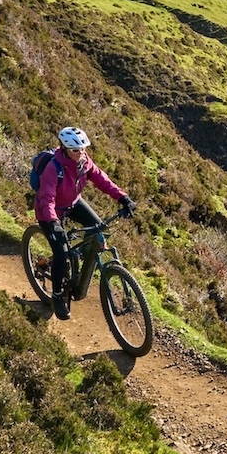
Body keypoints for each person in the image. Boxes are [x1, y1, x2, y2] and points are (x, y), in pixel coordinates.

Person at [34, 126, 135, 320]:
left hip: (72, 203)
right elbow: (47, 198)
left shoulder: (84, 162)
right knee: (61, 252)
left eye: (83, 149)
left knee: (99, 230)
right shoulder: (53, 168)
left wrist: (123, 198)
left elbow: (102, 180)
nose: (80, 153)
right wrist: (54, 222)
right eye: (75, 150)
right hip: (49, 212)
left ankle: (78, 263)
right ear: (64, 149)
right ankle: (57, 296)